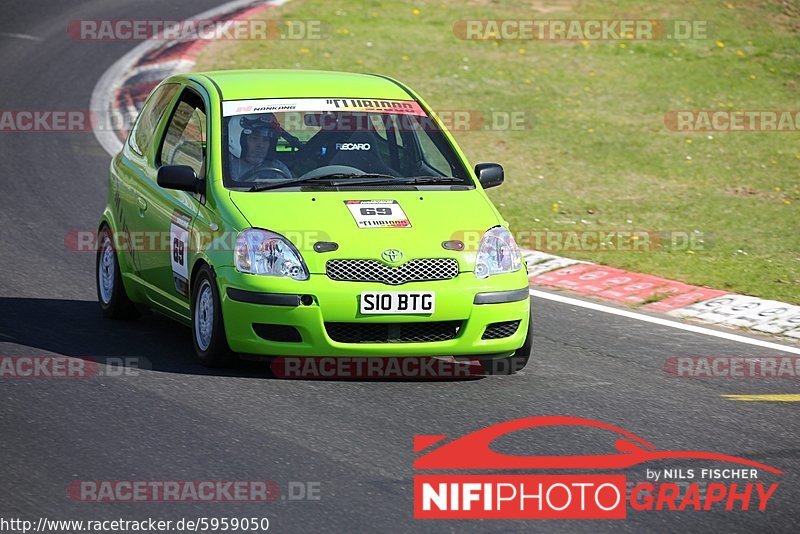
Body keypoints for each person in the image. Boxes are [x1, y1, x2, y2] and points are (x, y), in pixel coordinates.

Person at [228, 114, 292, 181]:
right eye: (254, 138)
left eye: (266, 140)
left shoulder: (278, 167)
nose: (261, 145)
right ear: (241, 140)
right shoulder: (228, 169)